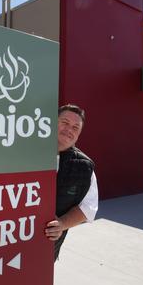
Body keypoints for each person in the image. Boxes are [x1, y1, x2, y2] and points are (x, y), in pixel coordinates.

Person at [44, 104, 99, 260]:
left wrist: (62, 223)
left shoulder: (83, 166)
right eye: (65, 122)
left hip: (48, 249)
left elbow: (88, 207)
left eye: (76, 127)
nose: (69, 129)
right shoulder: (24, 151)